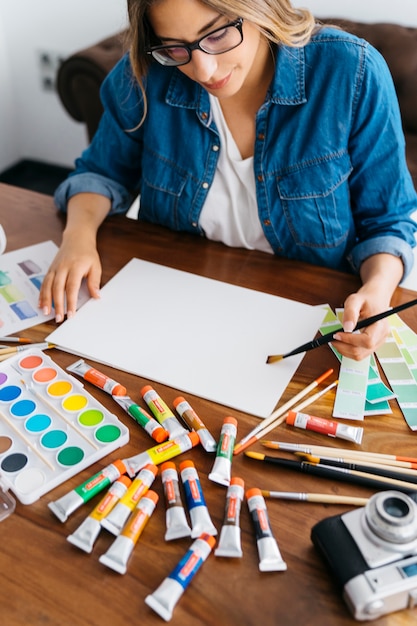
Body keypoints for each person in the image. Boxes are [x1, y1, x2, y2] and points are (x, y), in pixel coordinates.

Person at [40, 0, 417, 360]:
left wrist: (378, 288)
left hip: (306, 319)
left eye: (216, 35)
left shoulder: (350, 70)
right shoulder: (145, 74)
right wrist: (77, 240)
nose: (203, 71)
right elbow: (100, 173)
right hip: (173, 307)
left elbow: (387, 220)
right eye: (175, 47)